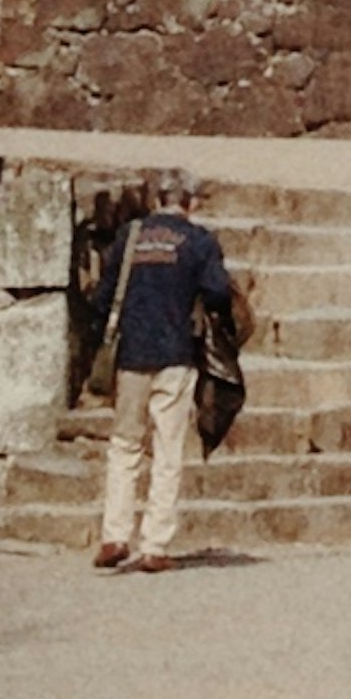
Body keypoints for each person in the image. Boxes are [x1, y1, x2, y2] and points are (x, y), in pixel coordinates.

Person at [92, 170, 244, 572]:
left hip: (131, 352)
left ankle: (114, 536)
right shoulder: (199, 241)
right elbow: (216, 292)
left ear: (157, 199)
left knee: (124, 445)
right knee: (167, 449)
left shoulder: (129, 236)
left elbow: (104, 294)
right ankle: (155, 545)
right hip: (177, 352)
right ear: (191, 202)